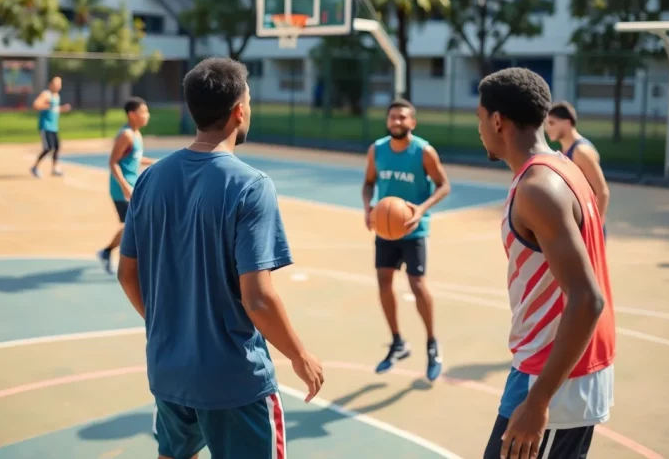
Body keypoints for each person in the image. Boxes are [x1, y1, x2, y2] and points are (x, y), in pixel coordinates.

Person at [116, 57, 324, 459]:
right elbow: (258, 298)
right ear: (239, 110)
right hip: (233, 379)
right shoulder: (251, 186)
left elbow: (127, 274)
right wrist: (300, 355)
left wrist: (173, 327)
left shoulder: (150, 179)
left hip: (169, 367)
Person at [475, 68, 615, 459]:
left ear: (497, 120)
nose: (480, 128)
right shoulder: (562, 169)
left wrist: (537, 402)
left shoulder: (538, 188)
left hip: (553, 379)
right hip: (555, 371)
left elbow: (588, 299)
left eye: (480, 118)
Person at [361, 98, 451, 382]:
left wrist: (421, 209)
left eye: (402, 117)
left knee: (417, 284)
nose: (397, 122)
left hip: (414, 229)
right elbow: (368, 183)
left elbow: (444, 185)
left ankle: (431, 343)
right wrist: (368, 207)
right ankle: (398, 342)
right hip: (386, 231)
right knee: (384, 284)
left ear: (412, 122)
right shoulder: (376, 150)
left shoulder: (424, 151)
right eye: (393, 117)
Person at [97, 97, 155, 275]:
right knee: (133, 225)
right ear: (132, 114)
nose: (147, 115)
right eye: (143, 112)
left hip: (132, 187)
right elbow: (113, 162)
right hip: (122, 189)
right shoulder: (126, 135)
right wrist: (124, 187)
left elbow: (134, 159)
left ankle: (108, 252)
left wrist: (156, 163)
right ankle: (111, 254)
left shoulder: (136, 134)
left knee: (134, 225)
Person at [545, 101, 610, 232]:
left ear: (567, 123)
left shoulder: (581, 151)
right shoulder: (564, 150)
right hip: (575, 223)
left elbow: (602, 192)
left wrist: (595, 227)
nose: (547, 128)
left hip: (588, 227)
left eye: (552, 123)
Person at [31, 76, 71, 178]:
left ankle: (55, 168)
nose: (58, 86)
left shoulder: (57, 96)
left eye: (60, 84)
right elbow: (36, 105)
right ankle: (35, 167)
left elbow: (55, 109)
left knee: (57, 147)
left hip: (54, 127)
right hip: (45, 126)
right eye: (56, 84)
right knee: (48, 148)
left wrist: (63, 109)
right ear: (51, 84)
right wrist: (47, 105)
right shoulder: (46, 94)